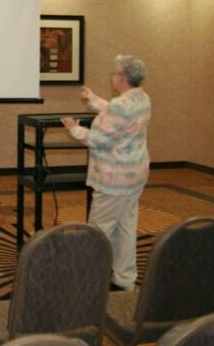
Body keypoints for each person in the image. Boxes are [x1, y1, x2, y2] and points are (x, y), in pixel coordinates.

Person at [61, 54, 151, 291]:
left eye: (115, 73)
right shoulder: (142, 99)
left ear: (122, 77)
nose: (112, 76)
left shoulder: (121, 106)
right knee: (126, 228)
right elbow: (115, 113)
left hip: (114, 179)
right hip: (134, 175)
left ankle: (87, 280)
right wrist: (92, 99)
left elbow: (98, 140)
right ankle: (125, 279)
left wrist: (74, 128)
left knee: (98, 230)